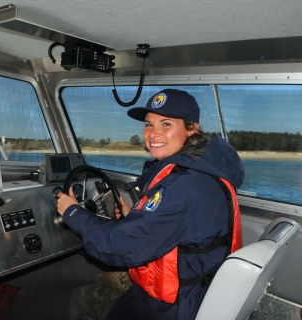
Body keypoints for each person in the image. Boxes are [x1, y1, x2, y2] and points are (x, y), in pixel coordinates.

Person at [57, 89, 244, 320]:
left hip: (175, 308)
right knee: (100, 279)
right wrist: (132, 218)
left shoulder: (179, 186)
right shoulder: (208, 169)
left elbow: (117, 248)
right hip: (201, 290)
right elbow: (175, 228)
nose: (153, 134)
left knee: (81, 295)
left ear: (192, 129)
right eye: (148, 124)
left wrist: (73, 212)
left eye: (166, 124)